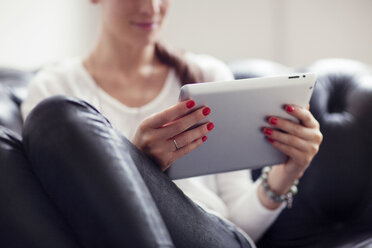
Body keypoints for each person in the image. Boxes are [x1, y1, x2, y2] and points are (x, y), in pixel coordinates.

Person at [21, 0, 323, 247]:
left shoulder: (207, 76)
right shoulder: (54, 86)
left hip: (214, 238)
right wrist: (136, 165)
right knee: (56, 114)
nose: (151, 8)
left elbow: (237, 225)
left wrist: (287, 173)